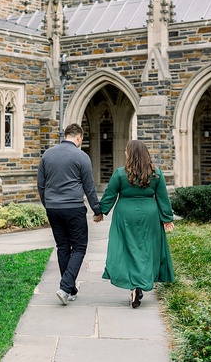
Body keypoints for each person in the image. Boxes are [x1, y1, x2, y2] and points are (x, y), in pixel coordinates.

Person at [98, 139, 175, 308]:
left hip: (126, 214)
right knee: (146, 249)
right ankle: (139, 284)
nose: (125, 153)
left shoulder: (120, 173)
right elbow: (162, 197)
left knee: (128, 249)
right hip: (149, 214)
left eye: (127, 151)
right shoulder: (156, 173)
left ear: (131, 154)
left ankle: (134, 286)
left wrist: (100, 212)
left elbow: (110, 195)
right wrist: (167, 218)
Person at [37, 123, 102, 305]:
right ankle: (65, 287)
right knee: (79, 247)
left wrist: (47, 204)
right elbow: (89, 187)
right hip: (73, 207)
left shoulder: (47, 155)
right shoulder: (81, 156)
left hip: (53, 208)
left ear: (65, 135)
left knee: (63, 247)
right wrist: (97, 210)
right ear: (79, 137)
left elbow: (41, 185)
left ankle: (70, 289)